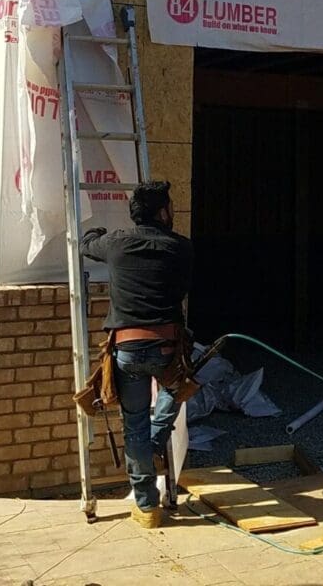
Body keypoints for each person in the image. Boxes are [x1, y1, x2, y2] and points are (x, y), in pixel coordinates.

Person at [80, 180, 194, 528]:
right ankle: (157, 439)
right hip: (167, 349)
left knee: (135, 428)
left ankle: (147, 508)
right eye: (171, 206)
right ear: (163, 212)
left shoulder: (116, 243)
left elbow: (87, 244)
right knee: (178, 389)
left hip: (127, 350)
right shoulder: (182, 248)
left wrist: (98, 231)